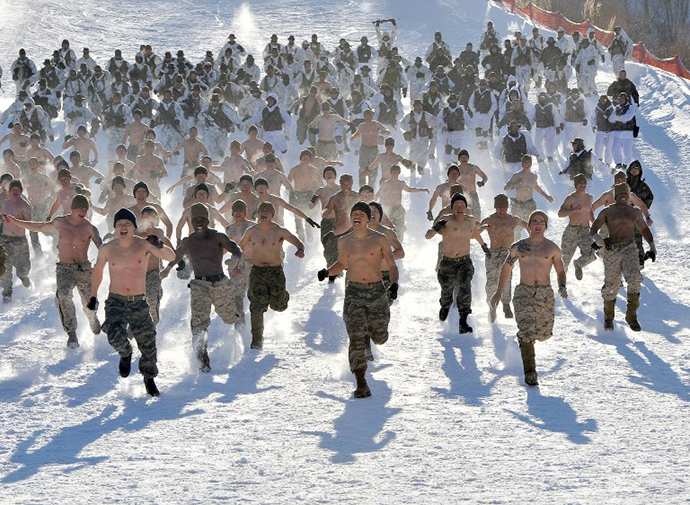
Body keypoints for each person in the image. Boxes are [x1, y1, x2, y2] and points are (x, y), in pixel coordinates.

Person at [90, 208, 176, 396]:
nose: (123, 227)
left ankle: (149, 378)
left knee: (148, 344)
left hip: (138, 302)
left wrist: (159, 244)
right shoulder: (107, 248)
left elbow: (171, 256)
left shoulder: (144, 245)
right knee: (114, 335)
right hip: (115, 301)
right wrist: (93, 295)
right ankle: (125, 353)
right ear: (114, 228)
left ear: (134, 227)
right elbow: (97, 271)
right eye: (119, 224)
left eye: (127, 224)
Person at [317, 201, 399, 398]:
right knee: (355, 335)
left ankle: (372, 330)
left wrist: (394, 284)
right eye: (354, 213)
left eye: (361, 214)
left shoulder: (379, 239)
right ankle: (361, 381)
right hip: (353, 292)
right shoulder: (344, 241)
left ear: (367, 218)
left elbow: (392, 265)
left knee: (380, 337)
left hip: (377, 292)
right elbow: (342, 263)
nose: (357, 217)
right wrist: (328, 271)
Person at [6, 195, 102, 346]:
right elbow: (39, 227)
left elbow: (102, 249)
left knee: (88, 302)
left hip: (83, 269)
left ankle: (92, 317)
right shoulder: (61, 222)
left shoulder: (90, 227)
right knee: (63, 296)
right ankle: (72, 334)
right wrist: (17, 222)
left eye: (85, 208)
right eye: (80, 208)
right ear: (73, 209)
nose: (83, 211)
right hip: (64, 268)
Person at [162, 203, 242, 371]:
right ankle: (202, 359)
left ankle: (240, 326)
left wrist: (234, 260)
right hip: (200, 285)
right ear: (191, 221)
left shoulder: (217, 237)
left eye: (202, 219)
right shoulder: (188, 241)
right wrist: (168, 269)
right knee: (198, 323)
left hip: (220, 284)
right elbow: (176, 255)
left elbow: (236, 248)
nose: (199, 223)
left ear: (208, 221)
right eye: (195, 220)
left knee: (229, 318)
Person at [490, 210, 567, 386]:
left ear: (545, 226)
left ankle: (532, 345)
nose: (538, 225)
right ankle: (530, 372)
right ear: (529, 225)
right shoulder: (519, 247)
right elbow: (507, 267)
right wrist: (499, 292)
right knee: (526, 333)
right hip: (523, 293)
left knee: (543, 334)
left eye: (541, 222)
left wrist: (562, 285)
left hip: (544, 294)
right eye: (534, 221)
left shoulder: (552, 248)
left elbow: (560, 270)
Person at [238, 201, 305, 350]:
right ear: (258, 213)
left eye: (267, 211)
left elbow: (298, 242)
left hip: (275, 272)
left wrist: (300, 250)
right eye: (262, 210)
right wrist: (237, 264)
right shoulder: (251, 231)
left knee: (279, 306)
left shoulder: (279, 231)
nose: (264, 212)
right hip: (257, 271)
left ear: (272, 215)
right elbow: (239, 248)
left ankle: (282, 297)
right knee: (256, 306)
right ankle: (257, 340)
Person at [590, 183, 656, 331]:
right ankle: (608, 319)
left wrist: (652, 247)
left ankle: (631, 316)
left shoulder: (634, 212)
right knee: (611, 287)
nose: (623, 197)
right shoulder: (607, 212)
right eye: (620, 195)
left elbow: (644, 230)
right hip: (611, 250)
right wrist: (598, 239)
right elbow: (593, 228)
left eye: (626, 195)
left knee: (634, 278)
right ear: (615, 197)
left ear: (629, 197)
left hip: (629, 248)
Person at [425, 193, 490, 334]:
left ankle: (463, 320)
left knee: (465, 286)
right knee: (447, 291)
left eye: (462, 205)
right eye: (456, 205)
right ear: (452, 208)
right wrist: (437, 227)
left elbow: (476, 233)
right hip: (448, 262)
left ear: (466, 207)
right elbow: (428, 236)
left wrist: (484, 246)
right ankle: (445, 305)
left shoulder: (470, 221)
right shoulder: (446, 220)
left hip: (464, 261)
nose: (459, 208)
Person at [479, 194, 527, 322]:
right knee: (492, 281)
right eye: (499, 208)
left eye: (504, 207)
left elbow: (527, 226)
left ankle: (506, 304)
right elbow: (475, 231)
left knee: (507, 279)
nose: (501, 210)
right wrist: (482, 228)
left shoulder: (512, 220)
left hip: (507, 253)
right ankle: (492, 307)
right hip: (493, 254)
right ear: (495, 208)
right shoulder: (490, 220)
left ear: (507, 207)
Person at [504, 155, 554, 239]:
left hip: (529, 203)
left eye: (528, 162)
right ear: (522, 163)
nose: (526, 164)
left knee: (532, 225)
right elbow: (506, 188)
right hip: (518, 203)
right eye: (525, 162)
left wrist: (546, 196)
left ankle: (534, 243)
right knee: (516, 227)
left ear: (531, 164)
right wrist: (515, 184)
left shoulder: (533, 177)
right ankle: (516, 244)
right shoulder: (516, 175)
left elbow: (537, 188)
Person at [558, 174, 596, 281]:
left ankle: (578, 264)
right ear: (575, 185)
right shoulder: (571, 198)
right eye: (580, 183)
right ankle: (561, 285)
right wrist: (572, 210)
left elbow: (590, 212)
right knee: (564, 261)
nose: (582, 185)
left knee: (591, 255)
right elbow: (560, 213)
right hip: (572, 232)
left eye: (584, 182)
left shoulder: (589, 198)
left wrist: (595, 223)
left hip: (585, 232)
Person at [321, 174, 359, 280]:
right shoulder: (335, 198)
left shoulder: (357, 196)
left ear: (352, 184)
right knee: (331, 252)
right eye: (343, 184)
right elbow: (327, 209)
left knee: (353, 254)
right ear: (340, 184)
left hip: (353, 230)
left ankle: (351, 275)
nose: (346, 187)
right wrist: (324, 213)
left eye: (348, 184)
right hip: (338, 229)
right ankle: (332, 274)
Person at [376, 164, 428, 241]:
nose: (395, 174)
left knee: (400, 227)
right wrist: (372, 201)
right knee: (387, 226)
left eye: (396, 172)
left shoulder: (401, 183)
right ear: (390, 173)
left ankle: (400, 241)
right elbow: (379, 193)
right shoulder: (386, 183)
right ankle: (386, 241)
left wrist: (421, 190)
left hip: (398, 208)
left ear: (399, 173)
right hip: (388, 208)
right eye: (393, 172)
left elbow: (409, 189)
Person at [224, 200, 255, 329]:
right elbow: (227, 247)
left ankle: (256, 321)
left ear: (245, 212)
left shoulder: (252, 226)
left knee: (254, 294)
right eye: (235, 211)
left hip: (252, 262)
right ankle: (240, 323)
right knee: (237, 295)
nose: (238, 213)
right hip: (236, 262)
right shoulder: (229, 229)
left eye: (241, 211)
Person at [0, 180, 33, 302]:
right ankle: (7, 293)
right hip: (5, 240)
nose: (15, 191)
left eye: (17, 190)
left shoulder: (24, 205)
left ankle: (23, 276)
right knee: (5, 266)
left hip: (20, 241)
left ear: (20, 192)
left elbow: (30, 223)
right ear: (9, 192)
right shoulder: (5, 204)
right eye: (13, 189)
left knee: (24, 268)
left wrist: (17, 221)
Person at [287, 150, 322, 243]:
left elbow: (321, 186)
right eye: (304, 157)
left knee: (309, 216)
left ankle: (310, 238)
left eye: (307, 158)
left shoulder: (313, 170)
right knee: (298, 217)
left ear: (310, 159)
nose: (305, 159)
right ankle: (300, 239)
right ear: (301, 158)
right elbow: (287, 183)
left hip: (309, 195)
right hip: (297, 195)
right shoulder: (295, 169)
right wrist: (291, 194)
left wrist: (316, 198)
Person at [351, 109, 390, 186]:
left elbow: (385, 129)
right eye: (366, 115)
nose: (368, 117)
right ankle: (362, 186)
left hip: (373, 149)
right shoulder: (362, 125)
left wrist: (385, 131)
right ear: (364, 116)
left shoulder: (376, 124)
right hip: (364, 149)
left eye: (370, 115)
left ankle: (371, 185)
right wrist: (353, 137)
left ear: (372, 116)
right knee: (362, 167)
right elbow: (358, 134)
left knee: (373, 168)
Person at [626, 160, 654, 266]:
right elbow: (612, 195)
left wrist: (642, 207)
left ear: (640, 171)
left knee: (637, 237)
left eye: (637, 169)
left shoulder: (643, 186)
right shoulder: (622, 183)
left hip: (636, 216)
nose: (634, 171)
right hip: (622, 215)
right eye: (633, 169)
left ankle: (640, 259)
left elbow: (650, 197)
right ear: (629, 170)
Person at [401, 99, 439, 175]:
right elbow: (402, 124)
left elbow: (435, 121)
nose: (418, 107)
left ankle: (421, 167)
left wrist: (429, 125)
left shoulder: (426, 114)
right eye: (416, 106)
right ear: (414, 106)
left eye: (419, 105)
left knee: (424, 151)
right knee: (413, 152)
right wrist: (410, 126)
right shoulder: (410, 115)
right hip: (413, 137)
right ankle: (412, 165)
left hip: (424, 137)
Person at [456, 150, 488, 220]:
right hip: (461, 195)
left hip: (472, 193)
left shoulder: (473, 168)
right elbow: (449, 181)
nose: (464, 159)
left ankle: (476, 229)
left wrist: (482, 182)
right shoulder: (456, 170)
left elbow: (485, 177)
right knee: (461, 215)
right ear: (459, 159)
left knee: (476, 214)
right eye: (462, 157)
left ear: (468, 158)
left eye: (465, 157)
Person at [609, 92, 637, 168]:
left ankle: (625, 164)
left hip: (628, 132)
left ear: (626, 99)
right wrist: (615, 119)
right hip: (617, 132)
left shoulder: (630, 108)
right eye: (619, 98)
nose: (620, 100)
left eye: (622, 98)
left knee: (627, 150)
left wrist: (618, 118)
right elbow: (611, 118)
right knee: (615, 148)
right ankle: (618, 163)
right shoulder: (616, 108)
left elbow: (629, 117)